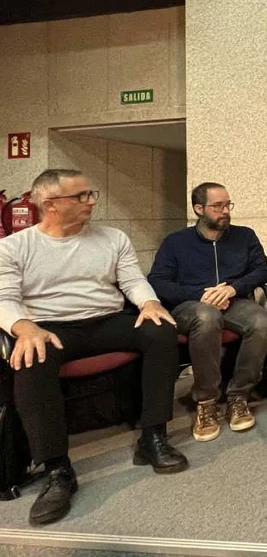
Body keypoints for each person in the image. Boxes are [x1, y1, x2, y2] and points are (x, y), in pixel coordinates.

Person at [0, 170, 187, 526]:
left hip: (105, 319)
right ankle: (57, 470)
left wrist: (149, 303)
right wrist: (24, 328)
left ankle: (153, 436)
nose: (91, 202)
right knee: (29, 359)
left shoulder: (112, 237)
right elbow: (4, 298)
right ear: (50, 205)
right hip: (49, 327)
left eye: (91, 194)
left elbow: (132, 279)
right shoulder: (13, 247)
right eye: (82, 196)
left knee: (162, 332)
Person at [148, 182, 267, 442]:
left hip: (233, 301)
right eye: (218, 206)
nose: (225, 210)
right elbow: (159, 281)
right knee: (207, 317)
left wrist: (232, 288)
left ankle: (239, 395)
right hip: (191, 306)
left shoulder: (245, 236)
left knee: (261, 320)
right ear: (199, 208)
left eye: (228, 205)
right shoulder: (176, 242)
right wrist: (201, 295)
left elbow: (262, 270)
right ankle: (206, 401)